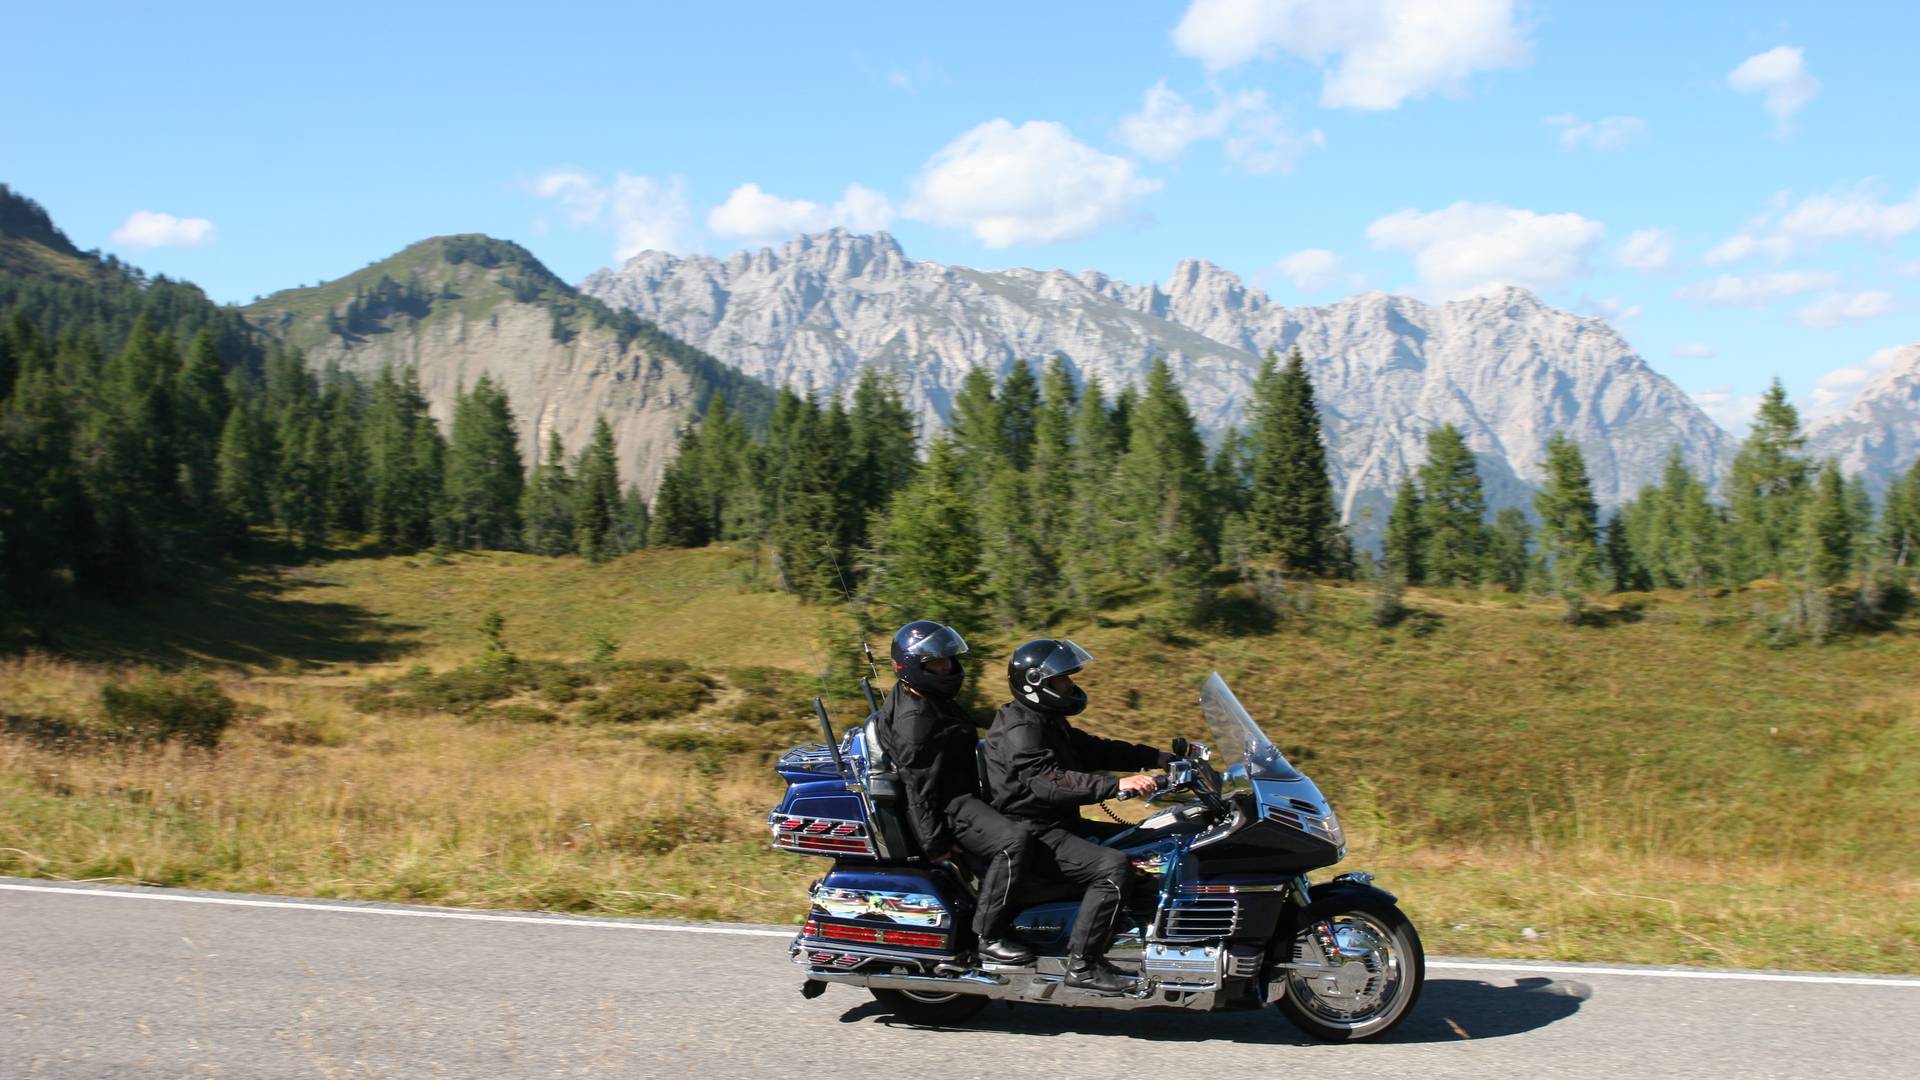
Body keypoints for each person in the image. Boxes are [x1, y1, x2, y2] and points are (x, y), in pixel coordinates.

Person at [984, 638, 1173, 993]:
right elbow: (1046, 781)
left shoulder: (1045, 719)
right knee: (1112, 866)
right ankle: (1084, 966)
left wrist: (1158, 756)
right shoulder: (1021, 728)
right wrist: (1114, 787)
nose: (1070, 685)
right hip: (1035, 830)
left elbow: (1093, 748)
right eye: (1061, 680)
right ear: (1036, 682)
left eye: (1068, 678)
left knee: (1153, 841)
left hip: (1058, 823)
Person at [876, 619, 1036, 965]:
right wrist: (935, 845)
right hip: (950, 805)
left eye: (948, 660)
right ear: (912, 667)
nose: (947, 667)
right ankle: (989, 935)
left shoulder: (929, 697)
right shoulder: (916, 722)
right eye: (937, 662)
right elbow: (919, 788)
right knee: (1014, 842)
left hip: (962, 792)